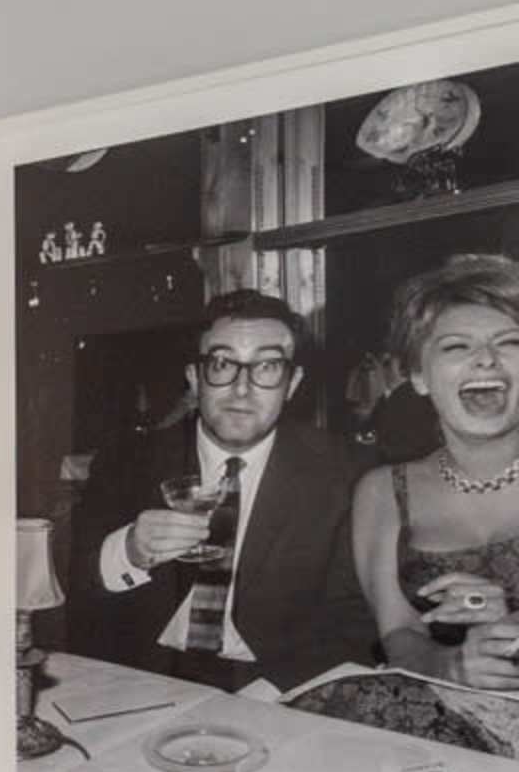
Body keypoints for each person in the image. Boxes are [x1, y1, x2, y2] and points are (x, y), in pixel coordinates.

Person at [60, 288, 375, 691]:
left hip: (276, 688)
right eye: (223, 364)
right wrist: (131, 551)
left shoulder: (346, 473)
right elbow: (72, 589)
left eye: (267, 367)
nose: (242, 389)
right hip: (148, 680)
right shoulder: (127, 461)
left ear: (292, 383)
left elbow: (357, 622)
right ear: (194, 377)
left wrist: (270, 695)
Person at [353, 253, 519, 692]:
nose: (485, 360)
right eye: (456, 346)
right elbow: (399, 635)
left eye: (509, 343)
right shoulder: (384, 491)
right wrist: (451, 666)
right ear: (419, 376)